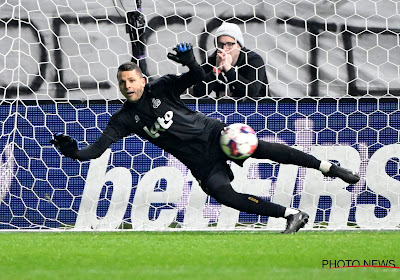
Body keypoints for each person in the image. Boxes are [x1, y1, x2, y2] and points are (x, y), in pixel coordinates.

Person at [50, 42, 360, 233]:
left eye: (131, 80)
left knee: (261, 148)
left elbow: (197, 78)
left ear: (141, 79)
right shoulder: (123, 119)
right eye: (122, 82)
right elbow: (95, 150)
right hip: (199, 161)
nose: (127, 86)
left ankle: (332, 169)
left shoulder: (161, 87)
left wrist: (191, 62)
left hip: (215, 134)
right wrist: (73, 152)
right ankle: (292, 214)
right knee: (224, 196)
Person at [192, 22, 268, 98]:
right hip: (224, 107)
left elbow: (251, 93)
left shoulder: (253, 60)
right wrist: (216, 71)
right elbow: (197, 93)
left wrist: (228, 69)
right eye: (220, 45)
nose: (224, 49)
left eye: (229, 44)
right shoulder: (212, 60)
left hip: (256, 107)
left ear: (239, 46)